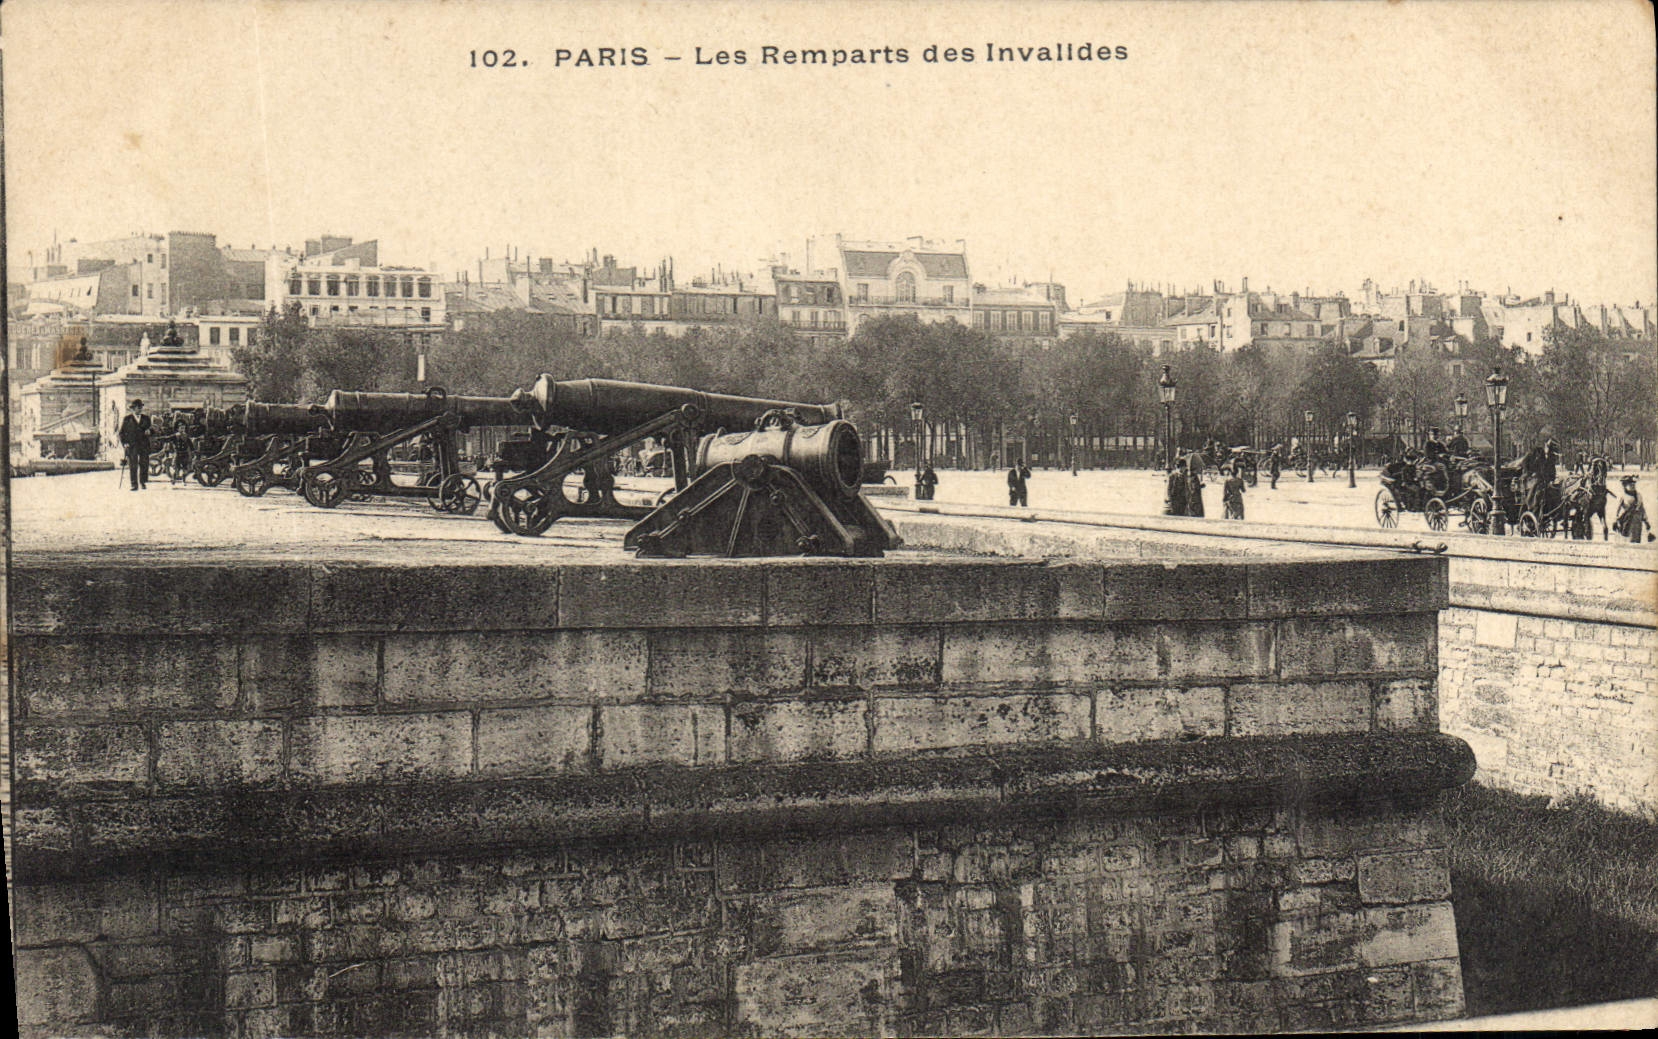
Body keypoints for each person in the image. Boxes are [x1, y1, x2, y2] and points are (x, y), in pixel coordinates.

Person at [118, 399, 152, 491]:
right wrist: (125, 443)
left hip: (144, 445)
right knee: (133, 465)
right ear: (133, 408)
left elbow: (152, 429)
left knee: (144, 464)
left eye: (141, 407)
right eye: (138, 407)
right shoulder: (127, 419)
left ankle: (143, 482)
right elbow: (121, 433)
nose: (140, 409)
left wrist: (150, 431)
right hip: (132, 445)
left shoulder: (146, 418)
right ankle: (134, 484)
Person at [1612, 475, 1653, 543]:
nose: (1633, 486)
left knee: (1636, 539)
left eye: (1633, 484)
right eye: (1630, 485)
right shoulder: (1622, 496)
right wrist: (1616, 519)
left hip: (1637, 520)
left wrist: (1646, 520)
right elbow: (1617, 509)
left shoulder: (1639, 495)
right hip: (1626, 519)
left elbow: (1642, 508)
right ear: (1625, 486)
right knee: (1626, 539)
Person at [1184, 453, 1205, 518]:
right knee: (1195, 515)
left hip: (1194, 500)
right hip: (1194, 500)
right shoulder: (1193, 477)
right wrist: (1200, 486)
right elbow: (1193, 489)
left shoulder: (1190, 476)